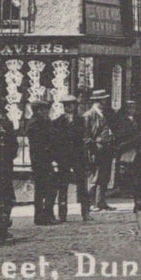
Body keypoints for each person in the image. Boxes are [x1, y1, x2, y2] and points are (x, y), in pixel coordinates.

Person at [52, 94, 91, 223]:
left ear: (75, 106)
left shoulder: (81, 121)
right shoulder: (58, 122)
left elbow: (85, 138)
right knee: (63, 186)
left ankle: (85, 213)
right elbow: (56, 141)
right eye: (66, 105)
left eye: (71, 105)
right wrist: (57, 157)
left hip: (78, 157)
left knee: (82, 186)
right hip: (64, 158)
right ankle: (62, 214)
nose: (69, 107)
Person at [83, 90, 115, 211]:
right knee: (94, 178)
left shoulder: (104, 114)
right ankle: (90, 203)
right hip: (96, 151)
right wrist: (92, 149)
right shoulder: (89, 115)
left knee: (104, 177)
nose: (105, 102)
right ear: (98, 101)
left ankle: (101, 202)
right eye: (103, 100)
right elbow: (86, 136)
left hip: (106, 150)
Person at [26, 99, 56, 226]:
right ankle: (42, 215)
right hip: (40, 160)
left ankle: (46, 214)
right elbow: (41, 142)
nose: (47, 112)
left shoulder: (41, 122)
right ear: (39, 110)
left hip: (43, 160)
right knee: (43, 189)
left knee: (46, 188)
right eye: (45, 110)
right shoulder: (35, 123)